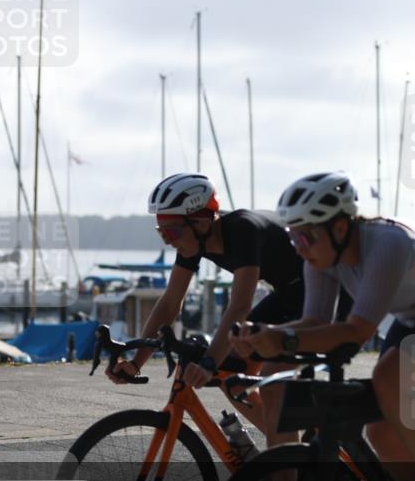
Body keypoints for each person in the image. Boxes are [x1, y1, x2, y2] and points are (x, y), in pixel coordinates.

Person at [230, 171, 415, 481]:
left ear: (340, 228)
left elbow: (356, 331)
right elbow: (316, 322)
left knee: (389, 381)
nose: (299, 247)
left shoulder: (388, 244)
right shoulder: (320, 256)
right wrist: (261, 334)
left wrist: (283, 338)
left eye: (307, 237)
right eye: (293, 237)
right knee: (380, 428)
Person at [105, 172, 307, 449]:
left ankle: (293, 473)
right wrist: (136, 362)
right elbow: (170, 302)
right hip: (288, 296)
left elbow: (240, 306)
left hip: (325, 296)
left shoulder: (243, 230)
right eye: (161, 232)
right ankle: (289, 455)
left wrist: (209, 362)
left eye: (172, 231)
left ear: (201, 221)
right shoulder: (192, 240)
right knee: (233, 379)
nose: (167, 240)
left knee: (271, 378)